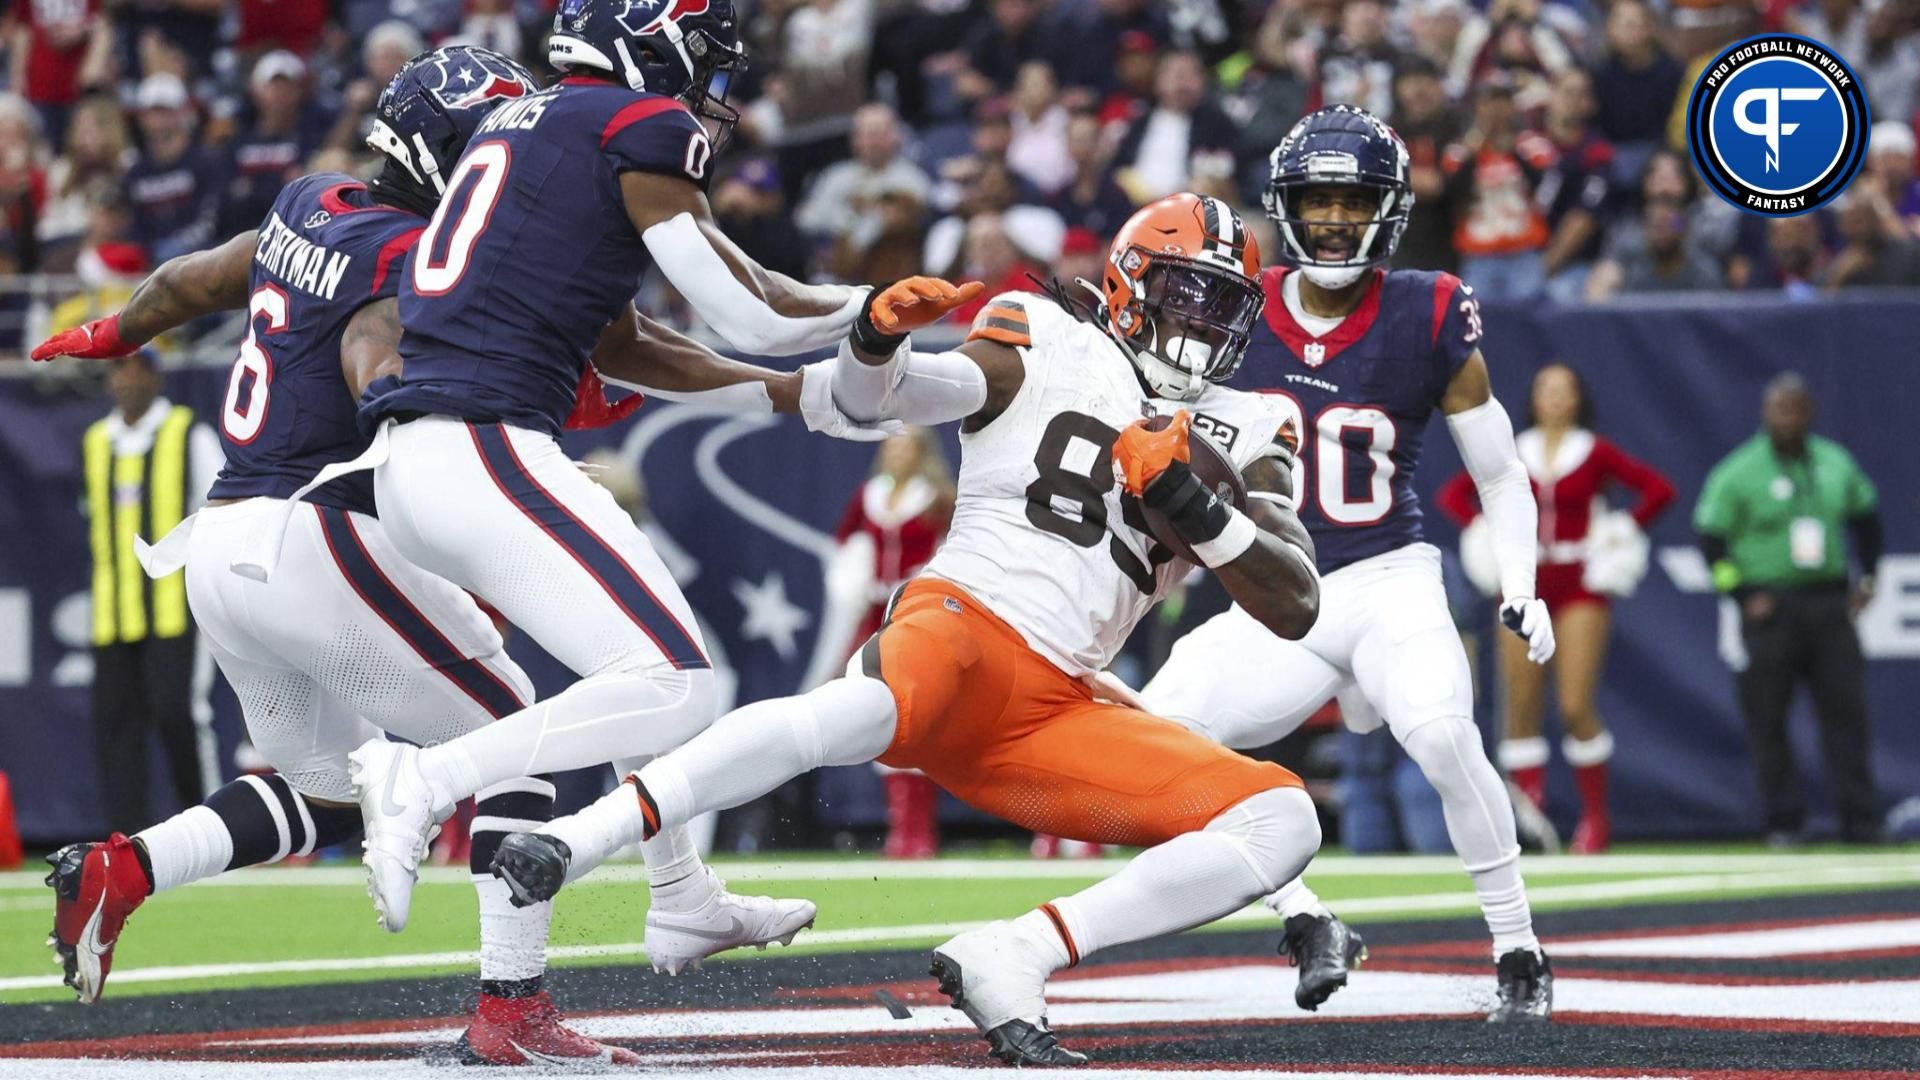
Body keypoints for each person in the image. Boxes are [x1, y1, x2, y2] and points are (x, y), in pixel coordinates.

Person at [31, 47, 825, 1063]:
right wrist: (510, 397)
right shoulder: (410, 256)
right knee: (514, 740)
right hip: (311, 529)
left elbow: (190, 280)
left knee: (323, 790)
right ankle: (511, 1013)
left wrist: (111, 331)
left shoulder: (310, 200)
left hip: (221, 545)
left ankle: (127, 868)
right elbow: (381, 366)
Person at [489, 194, 1325, 1068]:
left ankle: (1016, 953)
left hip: (1056, 708)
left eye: (1223, 305)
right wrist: (876, 343)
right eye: (1187, 294)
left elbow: (1294, 598)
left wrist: (1189, 500)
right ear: (1128, 281)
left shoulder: (1254, 419)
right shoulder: (1044, 332)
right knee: (850, 714)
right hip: (966, 621)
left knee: (1280, 818)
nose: (1201, 323)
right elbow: (888, 398)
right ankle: (580, 838)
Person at [339, 0, 884, 934]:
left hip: (422, 460)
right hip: (485, 442)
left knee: (630, 673)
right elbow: (750, 312)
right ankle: (421, 778)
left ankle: (680, 895)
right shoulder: (634, 122)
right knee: (678, 681)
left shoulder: (540, 127)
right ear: (651, 45)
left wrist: (791, 385)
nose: (715, 93)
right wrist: (866, 317)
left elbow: (630, 344)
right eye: (704, 64)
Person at [1141, 105, 1557, 1022]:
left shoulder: (1430, 308)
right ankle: (1305, 918)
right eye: (1318, 198)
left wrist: (1522, 584)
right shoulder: (1234, 307)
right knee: (1154, 738)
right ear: (1288, 206)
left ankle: (1519, 946)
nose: (1333, 217)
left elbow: (1500, 471)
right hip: (1275, 590)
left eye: (1353, 198)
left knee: (1444, 736)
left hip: (1384, 576)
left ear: (1389, 209)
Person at [1437, 364, 1675, 853]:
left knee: (1573, 704)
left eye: (1565, 390)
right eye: (1546, 389)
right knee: (1521, 708)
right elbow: (1453, 495)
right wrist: (1484, 530)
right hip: (1524, 582)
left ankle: (1595, 819)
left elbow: (1658, 491)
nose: (1555, 399)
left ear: (1577, 399)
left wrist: (1620, 530)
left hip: (1579, 581)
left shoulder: (1594, 450)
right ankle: (1532, 821)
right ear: (1534, 398)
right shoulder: (1512, 447)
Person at [1696, 373, 1884, 846]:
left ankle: (1861, 822)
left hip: (1827, 601)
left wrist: (1868, 578)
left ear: (1810, 413)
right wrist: (1739, 594)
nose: (1789, 419)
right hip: (1770, 606)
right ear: (1766, 414)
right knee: (1768, 719)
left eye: (1797, 409)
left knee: (1846, 716)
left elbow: (1867, 519)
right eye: (1781, 410)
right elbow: (1710, 539)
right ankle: (1784, 822)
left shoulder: (1834, 462)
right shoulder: (1739, 470)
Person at [79, 348, 223, 835]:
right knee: (116, 729)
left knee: (178, 715)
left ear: (156, 376)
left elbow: (220, 510)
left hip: (173, 608)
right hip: (113, 611)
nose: (123, 379)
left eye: (135, 367)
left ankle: (206, 830)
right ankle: (126, 840)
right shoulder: (97, 440)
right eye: (116, 368)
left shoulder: (187, 433)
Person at [813, 430, 954, 858]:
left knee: (920, 716)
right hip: (876, 617)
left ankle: (920, 828)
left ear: (921, 453)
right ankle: (899, 825)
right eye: (890, 447)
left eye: (904, 447)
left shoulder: (937, 498)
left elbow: (955, 550)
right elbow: (844, 546)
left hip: (917, 613)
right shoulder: (869, 495)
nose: (896, 454)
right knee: (882, 713)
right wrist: (853, 580)